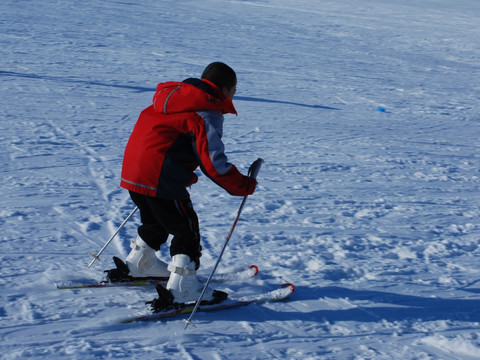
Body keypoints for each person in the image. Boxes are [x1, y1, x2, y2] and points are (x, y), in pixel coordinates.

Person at [117, 62, 257, 305]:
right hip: (160, 177)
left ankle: (141, 263)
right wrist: (242, 185)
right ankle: (184, 288)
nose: (234, 96)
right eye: (235, 90)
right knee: (186, 230)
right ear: (224, 90)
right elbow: (213, 164)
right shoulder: (205, 112)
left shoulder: (171, 99)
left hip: (133, 173)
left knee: (156, 220)